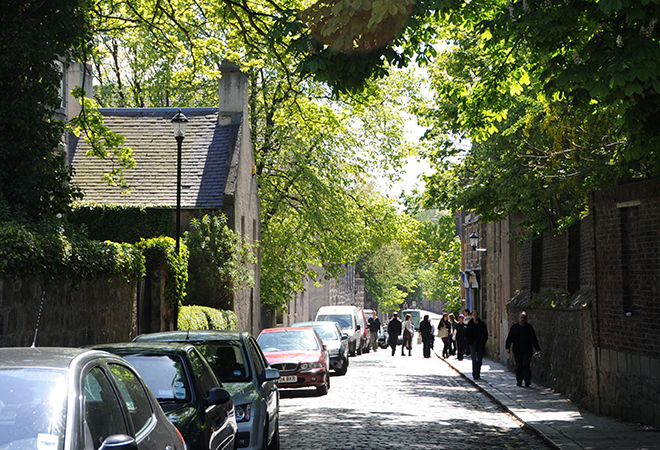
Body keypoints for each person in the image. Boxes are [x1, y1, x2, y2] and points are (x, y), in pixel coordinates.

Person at [505, 311, 541, 387]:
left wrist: (537, 348)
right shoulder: (514, 328)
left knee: (526, 364)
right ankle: (519, 380)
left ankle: (527, 380)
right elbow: (510, 338)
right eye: (521, 317)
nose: (522, 319)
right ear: (519, 318)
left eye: (524, 318)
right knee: (519, 366)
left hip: (527, 350)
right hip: (517, 350)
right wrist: (507, 347)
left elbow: (533, 339)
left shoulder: (529, 328)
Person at [466, 310, 488, 380]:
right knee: (474, 359)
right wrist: (469, 342)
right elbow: (467, 335)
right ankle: (475, 374)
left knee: (479, 360)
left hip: (480, 343)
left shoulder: (482, 324)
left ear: (477, 315)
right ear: (472, 316)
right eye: (473, 315)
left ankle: (478, 372)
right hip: (472, 343)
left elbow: (485, 334)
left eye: (476, 315)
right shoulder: (470, 324)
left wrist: (483, 342)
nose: (475, 316)